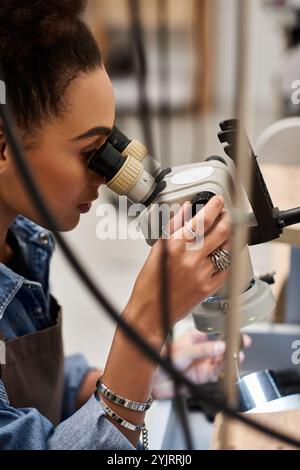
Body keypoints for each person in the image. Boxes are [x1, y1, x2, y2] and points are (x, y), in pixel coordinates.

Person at [0, 0, 248, 450]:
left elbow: (25, 398)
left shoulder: (19, 241)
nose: (106, 175)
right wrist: (145, 324)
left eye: (111, 143)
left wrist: (143, 371)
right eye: (90, 151)